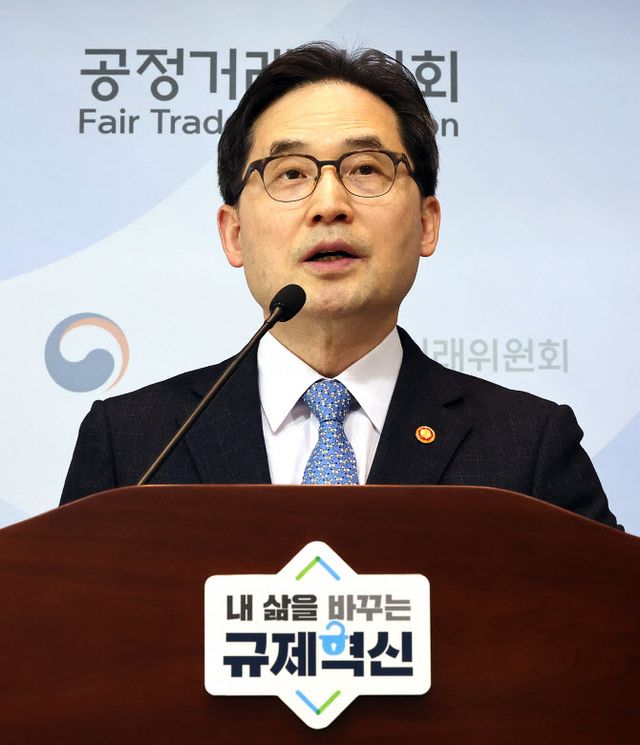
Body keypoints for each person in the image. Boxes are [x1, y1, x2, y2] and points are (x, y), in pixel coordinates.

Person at [60, 43, 620, 529]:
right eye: (291, 174)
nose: (329, 204)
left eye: (366, 169)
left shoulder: (526, 445)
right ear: (234, 234)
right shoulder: (135, 444)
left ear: (426, 223)